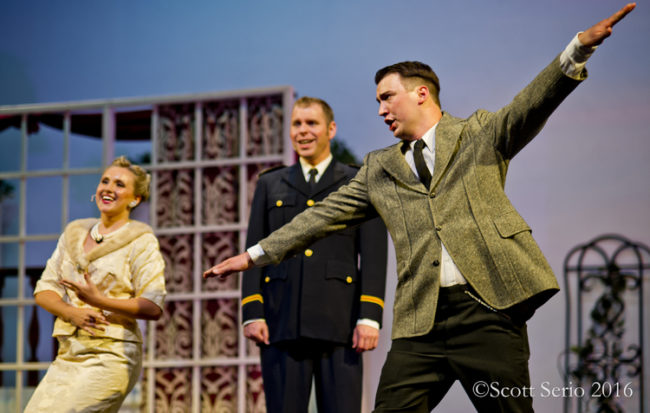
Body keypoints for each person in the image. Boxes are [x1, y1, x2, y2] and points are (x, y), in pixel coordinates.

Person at [204, 4, 635, 412]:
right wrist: (255, 254)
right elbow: (322, 216)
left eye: (387, 97)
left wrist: (578, 48)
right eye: (377, 101)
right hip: (421, 323)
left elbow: (530, 104)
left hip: (487, 312)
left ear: (421, 94)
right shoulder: (379, 168)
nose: (380, 110)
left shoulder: (478, 134)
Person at [241, 96, 387, 413]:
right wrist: (253, 310)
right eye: (297, 124)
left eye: (312, 123)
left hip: (341, 324)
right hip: (281, 321)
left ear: (330, 129)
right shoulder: (270, 183)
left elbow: (374, 255)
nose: (303, 131)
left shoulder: (357, 181)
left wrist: (369, 317)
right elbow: (255, 249)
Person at [25, 156, 166, 413]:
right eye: (105, 181)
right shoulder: (73, 236)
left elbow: (153, 306)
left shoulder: (141, 241)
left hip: (111, 356)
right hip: (68, 355)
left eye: (120, 184)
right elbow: (44, 290)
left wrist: (98, 301)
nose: (109, 188)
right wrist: (71, 312)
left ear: (135, 199)